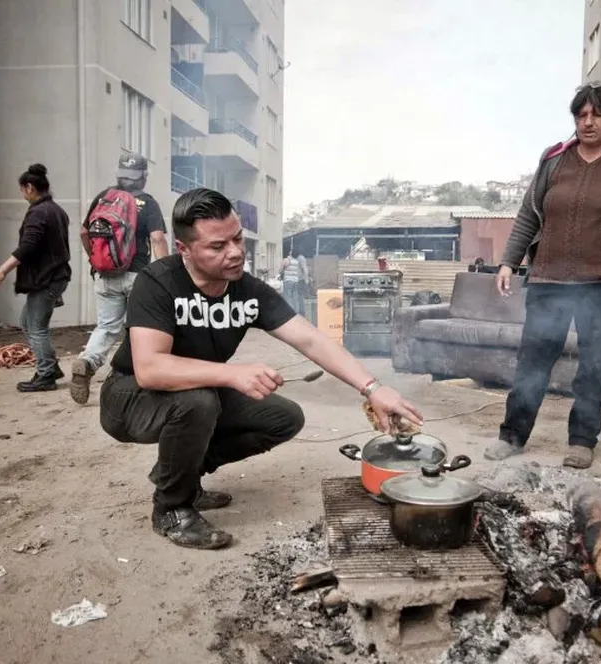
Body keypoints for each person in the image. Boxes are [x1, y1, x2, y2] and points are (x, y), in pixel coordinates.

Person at [98, 188, 422, 550]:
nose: (235, 252)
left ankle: (179, 478)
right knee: (200, 401)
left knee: (283, 417)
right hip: (129, 397)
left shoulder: (247, 291)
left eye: (237, 238)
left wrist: (373, 388)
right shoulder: (158, 282)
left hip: (193, 392)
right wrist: (233, 374)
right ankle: (171, 508)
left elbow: (311, 340)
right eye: (217, 247)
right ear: (183, 249)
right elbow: (150, 369)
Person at [484, 82, 601, 469]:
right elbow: (528, 216)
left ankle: (582, 439)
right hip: (548, 279)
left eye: (597, 114)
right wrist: (508, 262)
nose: (587, 122)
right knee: (533, 363)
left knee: (594, 365)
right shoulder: (554, 161)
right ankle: (512, 435)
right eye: (580, 115)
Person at [69, 153, 169, 405]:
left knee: (106, 326)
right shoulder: (147, 202)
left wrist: (95, 259)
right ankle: (139, 378)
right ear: (143, 176)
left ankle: (88, 361)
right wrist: (168, 274)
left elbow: (83, 231)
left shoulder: (104, 197)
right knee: (142, 328)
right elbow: (157, 239)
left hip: (105, 274)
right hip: (137, 275)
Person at [0, 163, 72, 392]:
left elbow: (27, 247)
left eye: (22, 190)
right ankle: (50, 367)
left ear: (30, 187)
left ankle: (46, 375)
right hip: (54, 276)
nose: (22, 194)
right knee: (28, 323)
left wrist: (1, 270)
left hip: (47, 278)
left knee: (36, 327)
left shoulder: (39, 212)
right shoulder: (56, 210)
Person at [279, 249, 308, 316]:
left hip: (288, 281)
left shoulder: (286, 260)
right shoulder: (297, 261)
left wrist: (281, 272)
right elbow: (303, 269)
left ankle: (290, 313)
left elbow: (280, 270)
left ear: (291, 253)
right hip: (296, 281)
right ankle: (296, 313)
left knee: (288, 296)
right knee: (295, 297)